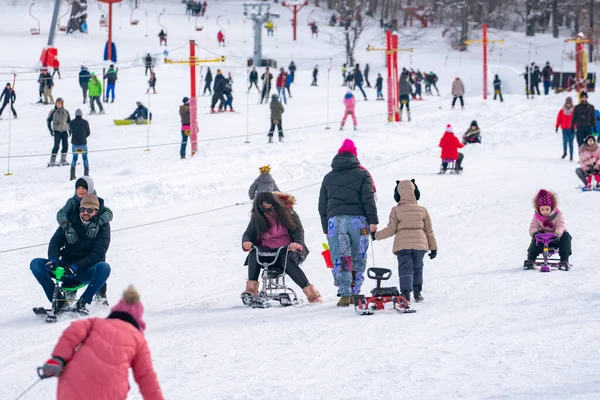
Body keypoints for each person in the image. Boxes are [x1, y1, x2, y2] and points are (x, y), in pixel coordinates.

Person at [38, 285, 164, 400]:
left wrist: (58, 358)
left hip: (74, 384)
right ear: (138, 321)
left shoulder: (95, 323)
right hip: (110, 392)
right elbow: (146, 376)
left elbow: (72, 333)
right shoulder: (138, 339)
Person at [318, 139, 378, 307]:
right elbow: (368, 199)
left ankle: (345, 293)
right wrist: (373, 222)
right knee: (358, 255)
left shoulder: (328, 177)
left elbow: (322, 206)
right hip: (357, 222)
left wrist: (326, 228)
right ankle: (355, 291)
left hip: (334, 222)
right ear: (354, 155)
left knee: (341, 256)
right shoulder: (362, 174)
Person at [30, 194, 111, 315]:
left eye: (89, 210)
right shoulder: (70, 221)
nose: (85, 213)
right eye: (83, 209)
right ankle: (59, 301)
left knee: (104, 268)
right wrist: (53, 259)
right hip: (66, 268)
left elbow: (98, 253)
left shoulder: (103, 226)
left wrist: (76, 267)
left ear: (96, 211)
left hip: (84, 270)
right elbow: (55, 242)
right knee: (36, 264)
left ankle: (83, 302)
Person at [241, 192, 322, 304]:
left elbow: (298, 230)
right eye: (265, 210)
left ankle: (311, 292)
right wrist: (246, 242)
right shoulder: (257, 218)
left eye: (270, 208)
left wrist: (297, 244)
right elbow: (248, 233)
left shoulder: (288, 212)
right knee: (254, 253)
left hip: (286, 250)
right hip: (267, 250)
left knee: (286, 259)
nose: (268, 212)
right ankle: (251, 289)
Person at [373, 179, 437, 303]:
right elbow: (429, 230)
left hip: (403, 245)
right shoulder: (422, 210)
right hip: (420, 244)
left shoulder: (396, 210)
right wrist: (433, 247)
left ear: (397, 194)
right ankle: (417, 293)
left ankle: (406, 294)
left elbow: (391, 230)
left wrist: (376, 236)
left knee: (405, 268)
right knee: (418, 267)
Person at [57, 176, 113, 304]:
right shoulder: (72, 202)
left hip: (92, 239)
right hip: (75, 237)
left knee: (98, 260)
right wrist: (67, 226)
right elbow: (61, 214)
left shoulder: (96, 201)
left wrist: (97, 223)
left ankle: (101, 295)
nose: (81, 191)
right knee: (71, 258)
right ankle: (69, 295)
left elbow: (108, 213)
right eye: (78, 188)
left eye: (84, 188)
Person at [524, 189, 571, 269]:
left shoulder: (557, 214)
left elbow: (560, 225)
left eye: (547, 209)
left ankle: (564, 260)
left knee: (566, 236)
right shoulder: (537, 216)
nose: (544, 212)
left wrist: (557, 234)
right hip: (542, 239)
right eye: (542, 209)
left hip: (556, 239)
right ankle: (530, 259)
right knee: (535, 239)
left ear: (551, 208)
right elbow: (533, 226)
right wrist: (534, 233)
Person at [47, 98, 71, 167]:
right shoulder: (53, 112)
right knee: (56, 146)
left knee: (65, 145)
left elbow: (69, 121)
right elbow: (48, 121)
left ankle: (63, 159)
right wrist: (50, 130)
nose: (59, 105)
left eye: (60, 103)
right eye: (57, 103)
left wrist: (70, 130)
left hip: (64, 131)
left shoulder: (66, 112)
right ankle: (52, 160)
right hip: (57, 131)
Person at [69, 109, 91, 180]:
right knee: (85, 158)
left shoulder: (71, 123)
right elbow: (88, 132)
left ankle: (72, 175)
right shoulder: (85, 122)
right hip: (83, 144)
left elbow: (70, 131)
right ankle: (86, 175)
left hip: (75, 144)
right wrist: (83, 137)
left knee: (74, 158)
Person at [555, 96, 575, 161]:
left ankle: (571, 155)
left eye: (569, 103)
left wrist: (576, 127)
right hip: (564, 128)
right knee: (565, 141)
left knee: (571, 142)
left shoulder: (574, 110)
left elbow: (576, 119)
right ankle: (565, 152)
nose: (568, 104)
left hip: (572, 129)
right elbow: (559, 119)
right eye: (567, 103)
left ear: (571, 103)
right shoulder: (562, 110)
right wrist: (557, 126)